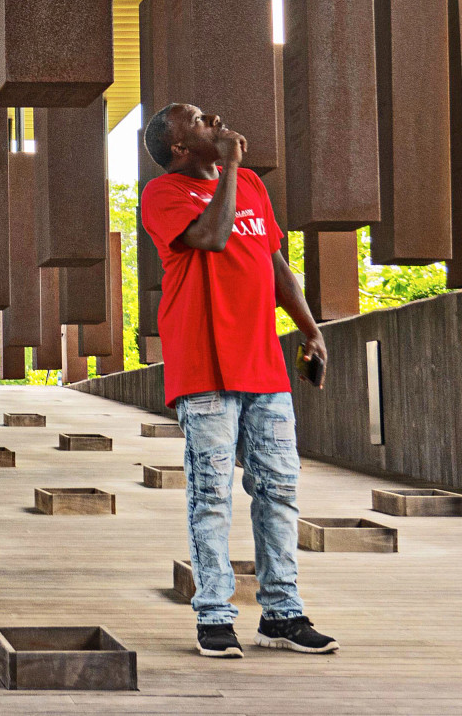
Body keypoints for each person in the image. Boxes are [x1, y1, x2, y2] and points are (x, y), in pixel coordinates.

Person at [140, 103, 335, 660]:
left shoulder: (249, 184)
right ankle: (214, 614)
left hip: (263, 365)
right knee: (211, 495)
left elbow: (274, 263)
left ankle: (283, 613)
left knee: (279, 490)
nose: (216, 121)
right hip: (203, 365)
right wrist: (228, 168)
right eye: (201, 121)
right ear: (180, 148)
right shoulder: (163, 194)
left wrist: (310, 330)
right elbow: (212, 236)